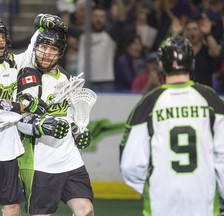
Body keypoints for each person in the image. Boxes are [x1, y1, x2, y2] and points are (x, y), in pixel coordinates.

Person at [0, 16, 69, 216]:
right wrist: (23, 106)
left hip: (9, 149)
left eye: (1, 36)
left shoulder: (9, 62)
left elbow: (28, 55)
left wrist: (41, 27)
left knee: (12, 208)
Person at [119, 35, 224, 216]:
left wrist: (154, 187)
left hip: (161, 202)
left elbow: (130, 165)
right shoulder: (211, 99)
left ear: (162, 64)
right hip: (203, 201)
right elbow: (222, 156)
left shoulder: (149, 103)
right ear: (191, 62)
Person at [16, 16, 94, 216]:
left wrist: (78, 131)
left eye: (52, 50)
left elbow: (71, 115)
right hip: (39, 163)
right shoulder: (28, 76)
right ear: (35, 47)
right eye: (42, 47)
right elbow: (19, 120)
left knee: (86, 211)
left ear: (60, 53)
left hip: (69, 158)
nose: (46, 53)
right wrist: (41, 126)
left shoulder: (67, 78)